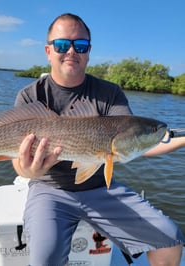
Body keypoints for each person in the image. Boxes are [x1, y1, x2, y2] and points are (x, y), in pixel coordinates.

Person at [12, 13, 185, 266]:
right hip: (49, 189)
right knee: (44, 259)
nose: (71, 51)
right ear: (49, 51)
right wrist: (26, 170)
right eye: (62, 45)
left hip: (101, 188)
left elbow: (134, 143)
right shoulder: (29, 97)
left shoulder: (109, 93)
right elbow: (17, 160)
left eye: (80, 45)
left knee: (170, 240)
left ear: (88, 51)